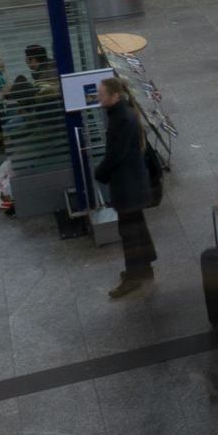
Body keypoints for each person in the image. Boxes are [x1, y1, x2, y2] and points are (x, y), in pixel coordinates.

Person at [94, 77, 158, 298]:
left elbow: (115, 155)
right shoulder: (124, 114)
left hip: (128, 186)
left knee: (129, 232)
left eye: (101, 94)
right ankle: (145, 268)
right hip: (133, 183)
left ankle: (134, 277)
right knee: (137, 226)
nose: (98, 97)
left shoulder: (121, 119)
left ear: (114, 96)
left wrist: (99, 173)